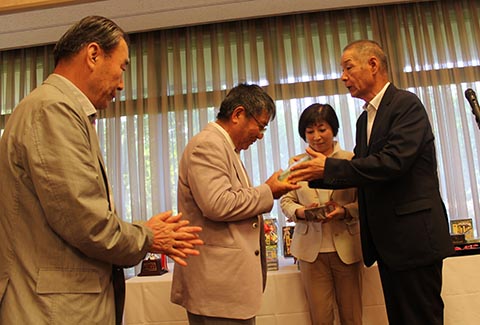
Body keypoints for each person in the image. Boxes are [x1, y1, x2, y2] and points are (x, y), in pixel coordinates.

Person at [0, 16, 203, 325]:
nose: (122, 84)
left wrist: (142, 232)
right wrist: (147, 237)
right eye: (122, 68)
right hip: (56, 310)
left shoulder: (56, 107)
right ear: (93, 55)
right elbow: (85, 221)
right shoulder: (52, 109)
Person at [289, 40, 454, 324]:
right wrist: (315, 174)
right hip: (389, 244)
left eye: (348, 67)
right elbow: (363, 174)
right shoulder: (364, 120)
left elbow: (392, 163)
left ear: (373, 65)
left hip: (413, 239)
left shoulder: (405, 105)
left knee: (421, 318)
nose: (343, 77)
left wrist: (326, 166)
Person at [171, 83, 299, 324]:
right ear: (238, 114)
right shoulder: (207, 145)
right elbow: (217, 204)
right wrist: (268, 191)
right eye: (260, 126)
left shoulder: (226, 148)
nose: (261, 135)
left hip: (226, 288)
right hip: (218, 289)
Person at [280, 103, 362, 325]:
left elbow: (364, 203)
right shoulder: (296, 163)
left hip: (347, 247)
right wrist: (301, 212)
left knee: (352, 316)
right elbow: (286, 200)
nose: (316, 137)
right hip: (310, 251)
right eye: (309, 131)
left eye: (322, 129)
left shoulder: (351, 159)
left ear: (333, 129)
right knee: (320, 318)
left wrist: (344, 211)